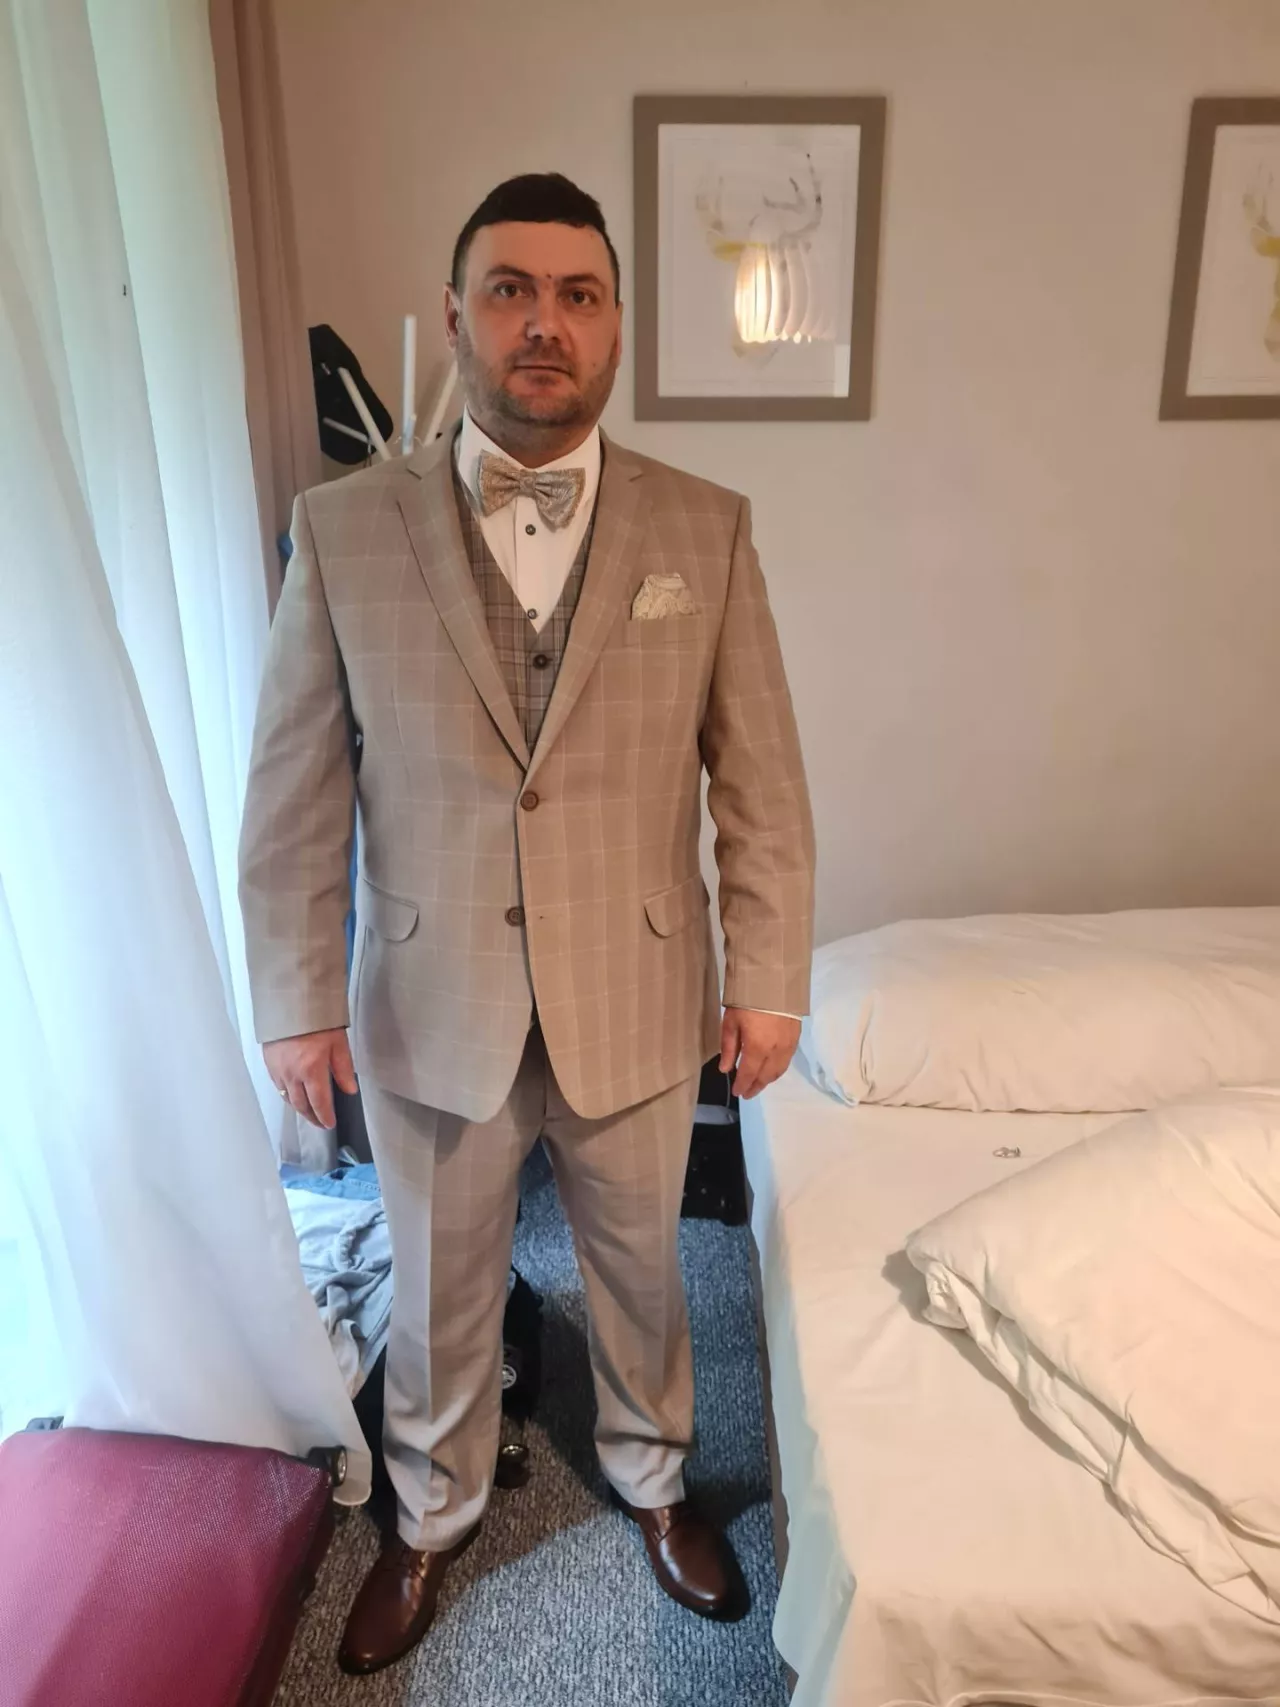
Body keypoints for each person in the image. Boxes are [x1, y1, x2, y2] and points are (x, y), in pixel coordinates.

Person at [238, 172, 815, 1676]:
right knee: (439, 1284)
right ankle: (431, 1511)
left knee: (643, 1272)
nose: (543, 322)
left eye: (577, 293)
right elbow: (294, 788)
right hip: (432, 995)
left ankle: (656, 1482)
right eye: (510, 290)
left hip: (636, 986)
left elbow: (759, 777)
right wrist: (296, 999)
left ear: (616, 326)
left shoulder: (707, 529)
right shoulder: (342, 530)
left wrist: (770, 980)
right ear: (457, 317)